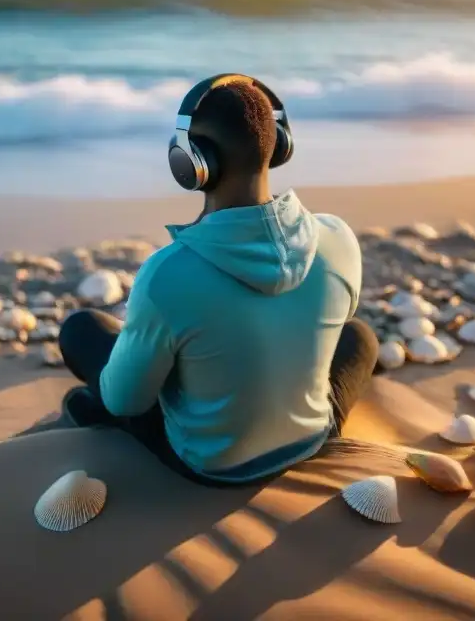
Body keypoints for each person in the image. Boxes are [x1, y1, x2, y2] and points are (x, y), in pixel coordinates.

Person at [58, 74, 378, 486]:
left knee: (83, 330)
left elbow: (127, 401)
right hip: (310, 437)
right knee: (360, 337)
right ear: (278, 145)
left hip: (211, 463)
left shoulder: (167, 274)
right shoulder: (337, 238)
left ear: (191, 164)